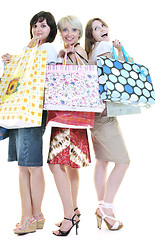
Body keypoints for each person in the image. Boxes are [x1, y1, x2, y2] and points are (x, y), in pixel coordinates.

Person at [2, 11, 57, 235]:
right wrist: (11, 63)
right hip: (22, 112)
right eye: (35, 25)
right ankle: (34, 215)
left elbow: (43, 78)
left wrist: (22, 56)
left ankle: (30, 215)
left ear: (51, 29)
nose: (38, 29)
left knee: (31, 165)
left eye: (43, 25)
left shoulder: (47, 49)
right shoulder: (32, 50)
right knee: (24, 166)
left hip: (32, 111)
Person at [85, 18, 130, 231]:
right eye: (96, 28)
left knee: (102, 161)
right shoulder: (104, 46)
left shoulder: (92, 50)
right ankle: (107, 209)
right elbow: (113, 73)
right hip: (105, 114)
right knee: (123, 161)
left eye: (102, 25)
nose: (101, 29)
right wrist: (118, 52)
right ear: (91, 35)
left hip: (94, 114)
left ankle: (101, 206)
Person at [47, 15, 90, 236]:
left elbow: (86, 74)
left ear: (80, 34)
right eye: (65, 30)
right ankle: (73, 208)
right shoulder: (65, 53)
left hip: (69, 118)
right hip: (70, 117)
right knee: (69, 166)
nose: (69, 34)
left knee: (55, 164)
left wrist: (71, 56)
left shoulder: (79, 52)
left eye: (73, 30)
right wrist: (63, 56)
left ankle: (69, 216)